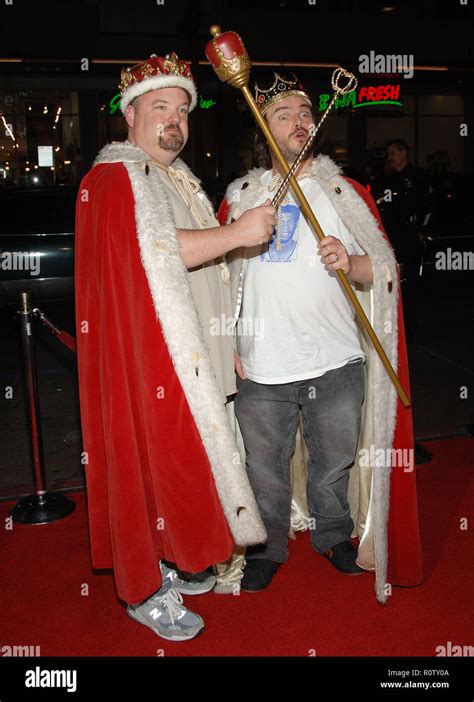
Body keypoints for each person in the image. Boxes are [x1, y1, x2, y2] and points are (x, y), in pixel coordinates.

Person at [75, 52, 275, 641]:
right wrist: (239, 233)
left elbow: (205, 275)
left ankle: (175, 555)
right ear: (128, 115)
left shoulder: (171, 177)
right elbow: (154, 254)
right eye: (160, 107)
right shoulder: (116, 177)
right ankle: (144, 585)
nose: (175, 121)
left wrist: (225, 346)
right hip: (148, 363)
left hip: (192, 358)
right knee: (152, 468)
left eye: (183, 110)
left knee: (186, 470)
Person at [218, 73, 422, 602]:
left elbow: (385, 270)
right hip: (262, 361)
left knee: (334, 460)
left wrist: (350, 262)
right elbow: (218, 282)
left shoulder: (344, 193)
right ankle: (267, 548)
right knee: (263, 465)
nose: (299, 122)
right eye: (283, 114)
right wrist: (228, 346)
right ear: (265, 128)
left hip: (336, 357)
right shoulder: (241, 195)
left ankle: (334, 535)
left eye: (305, 113)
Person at [378, 139, 434, 340]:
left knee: (410, 283)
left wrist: (423, 231)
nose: (390, 157)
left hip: (411, 239)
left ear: (404, 153)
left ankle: (411, 325)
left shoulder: (418, 178)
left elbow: (429, 206)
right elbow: (382, 207)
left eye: (393, 152)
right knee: (392, 282)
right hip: (392, 240)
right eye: (388, 153)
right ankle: (394, 323)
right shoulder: (389, 181)